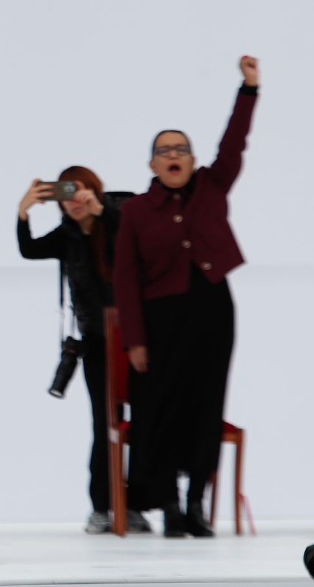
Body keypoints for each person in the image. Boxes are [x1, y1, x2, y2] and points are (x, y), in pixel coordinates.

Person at [113, 56, 260, 538]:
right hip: (160, 318)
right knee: (161, 409)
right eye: (164, 149)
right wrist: (135, 340)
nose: (173, 154)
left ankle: (197, 500)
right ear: (152, 163)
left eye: (181, 148)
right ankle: (169, 503)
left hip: (213, 309)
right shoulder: (136, 211)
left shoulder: (213, 187)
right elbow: (126, 278)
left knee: (205, 404)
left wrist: (248, 90)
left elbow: (234, 143)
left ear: (193, 160)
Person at [17, 167, 150, 535]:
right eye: (65, 195)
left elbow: (136, 243)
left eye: (81, 192)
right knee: (104, 425)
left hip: (136, 338)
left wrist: (102, 211)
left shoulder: (119, 218)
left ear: (95, 190)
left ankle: (136, 505)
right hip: (95, 341)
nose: (73, 202)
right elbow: (30, 250)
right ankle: (102, 507)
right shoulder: (67, 234)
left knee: (141, 424)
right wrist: (24, 211)